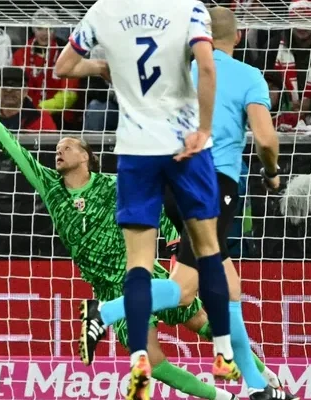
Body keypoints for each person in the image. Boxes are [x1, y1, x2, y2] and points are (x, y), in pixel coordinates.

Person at [0, 73, 284, 400]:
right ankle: (223, 398)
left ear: (86, 158)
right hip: (106, 289)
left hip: (143, 275)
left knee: (207, 323)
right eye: (58, 148)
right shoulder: (50, 187)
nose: (58, 152)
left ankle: (262, 379)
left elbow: (154, 204)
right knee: (153, 362)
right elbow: (16, 152)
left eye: (67, 147)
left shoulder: (112, 185)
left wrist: (172, 240)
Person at [78, 7, 299, 400]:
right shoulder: (248, 75)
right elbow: (266, 140)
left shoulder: (178, 65)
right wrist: (272, 172)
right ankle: (106, 312)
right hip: (213, 182)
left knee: (229, 285)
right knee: (184, 290)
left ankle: (259, 388)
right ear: (240, 37)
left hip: (166, 179)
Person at [54, 0, 237, 397]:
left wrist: (102, 68)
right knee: (209, 251)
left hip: (135, 152)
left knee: (137, 264)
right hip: (182, 149)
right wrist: (203, 129)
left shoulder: (103, 10)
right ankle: (223, 353)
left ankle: (139, 358)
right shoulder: (189, 10)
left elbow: (63, 68)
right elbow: (207, 67)